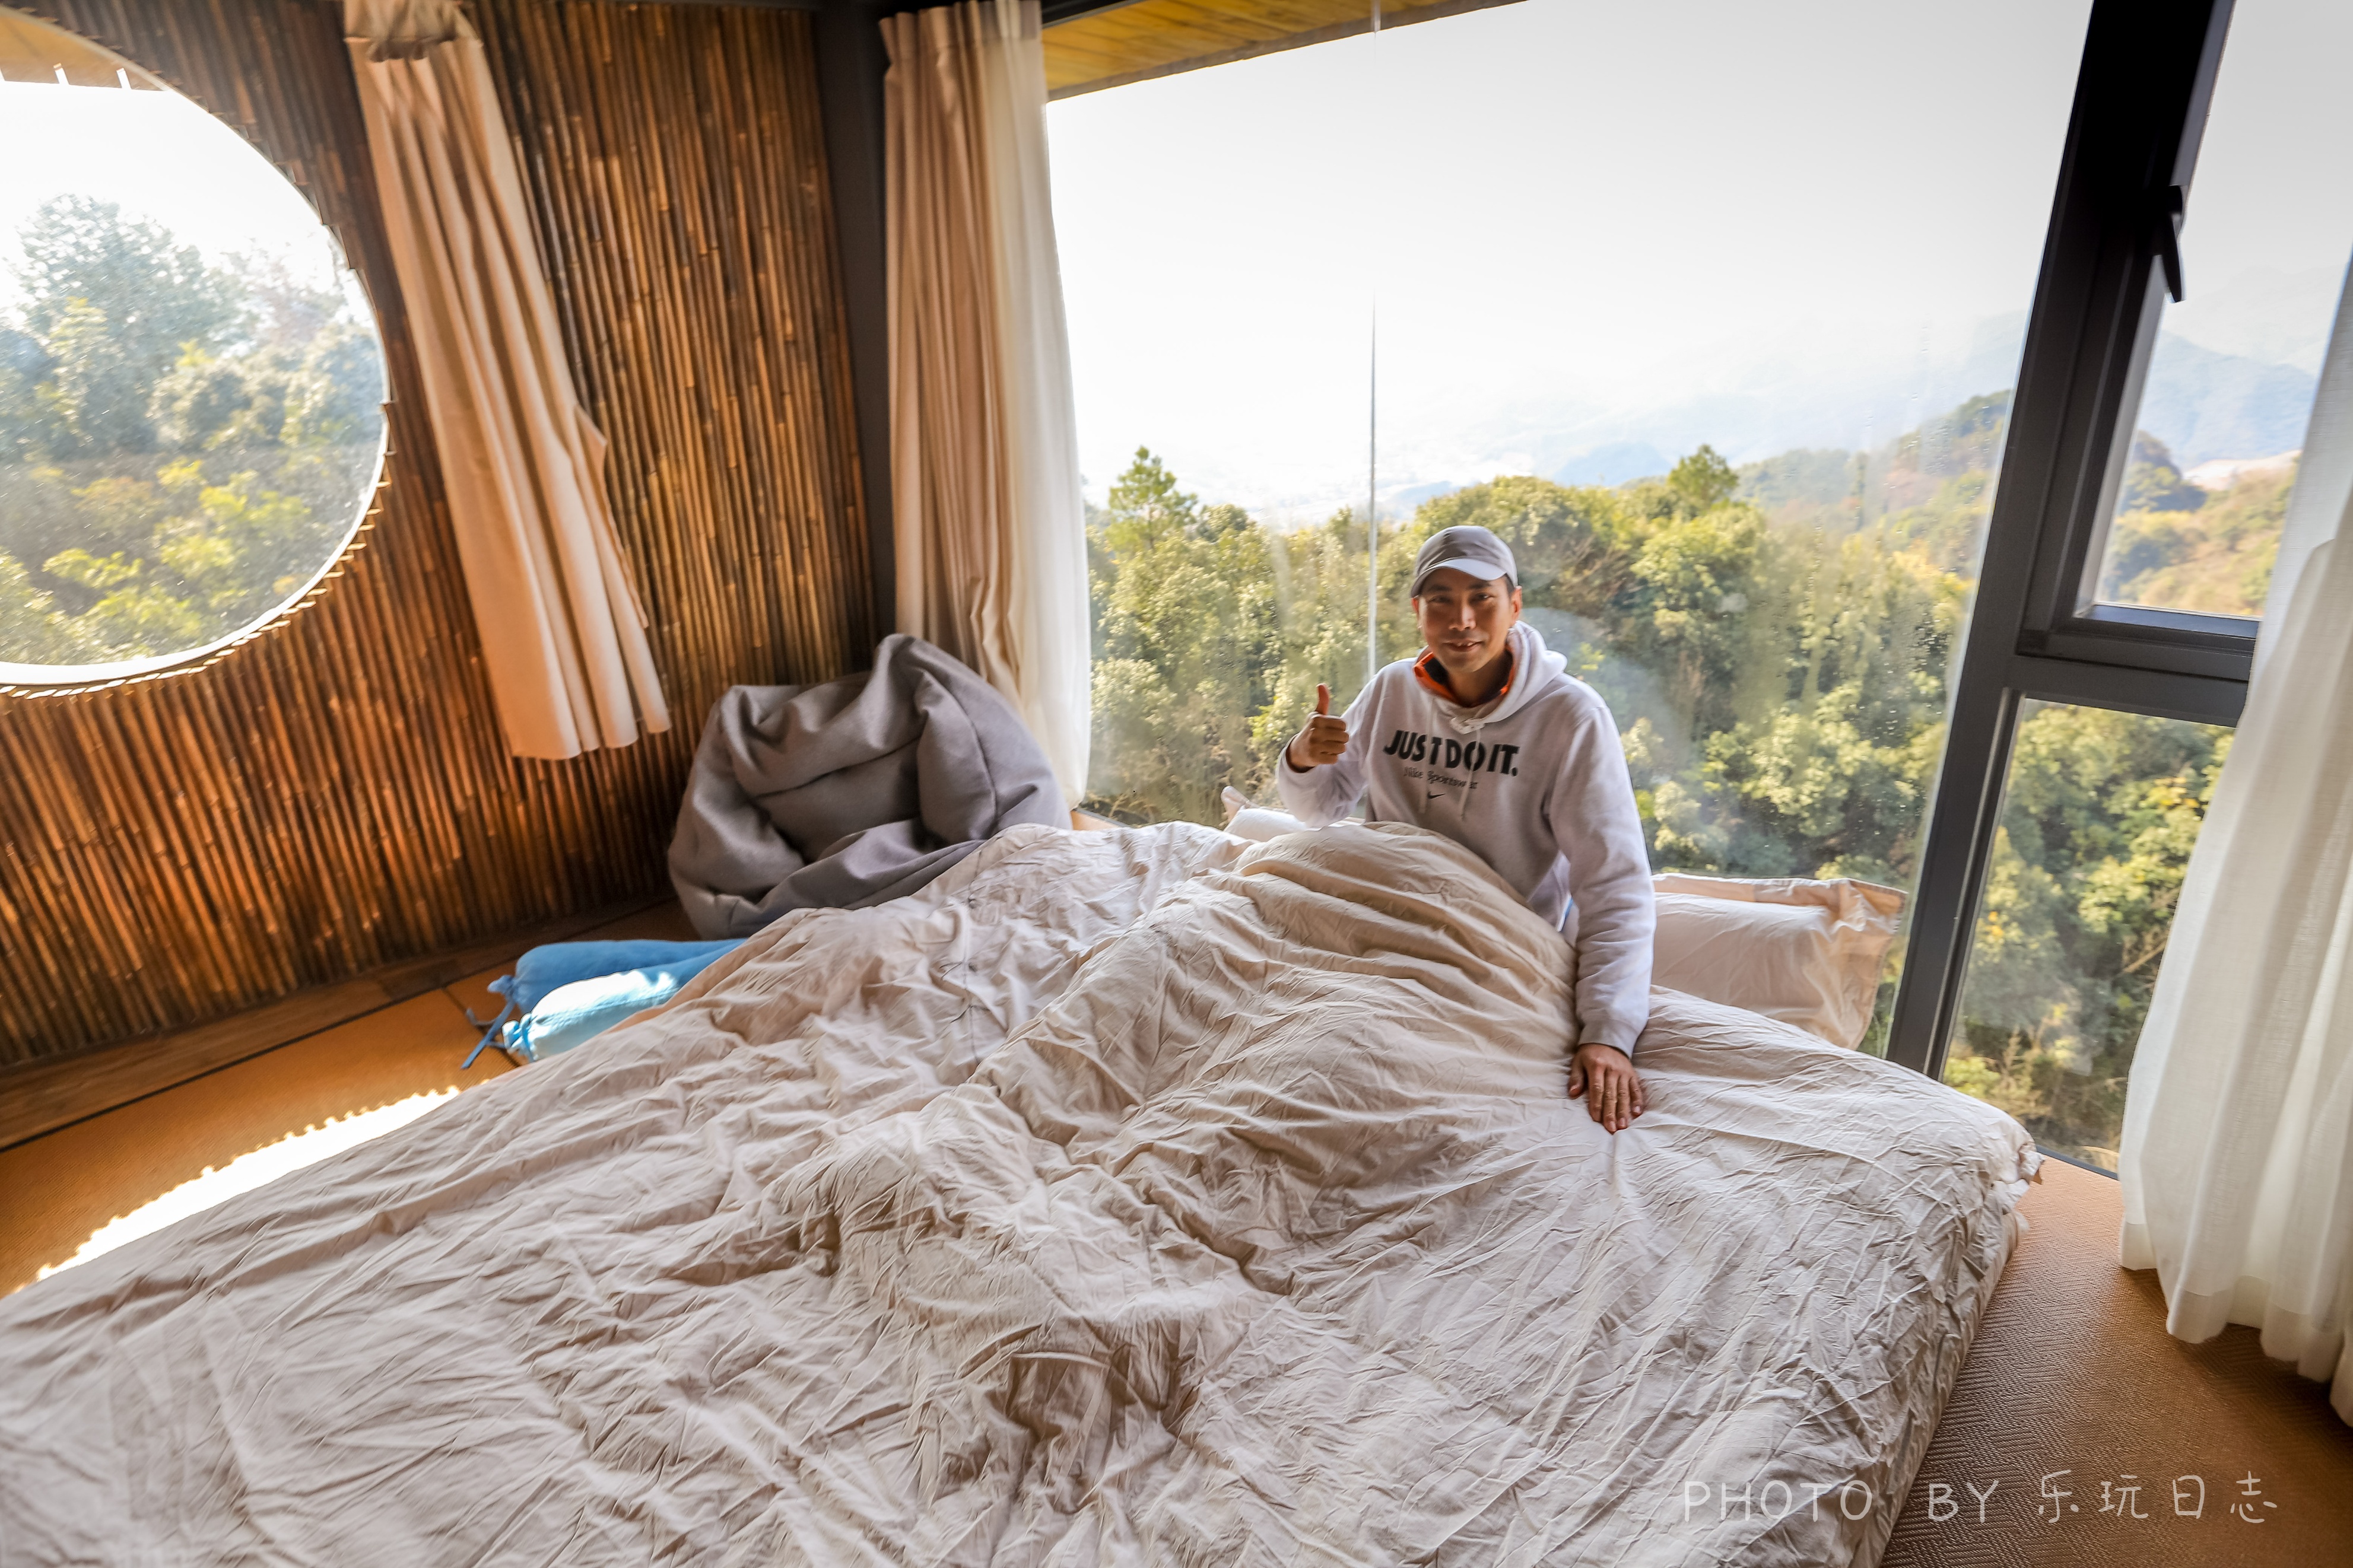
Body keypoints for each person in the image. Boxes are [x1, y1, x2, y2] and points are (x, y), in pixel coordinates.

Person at [1277, 524, 1655, 1133]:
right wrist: (1300, 756)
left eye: (1481, 597)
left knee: (1356, 1067)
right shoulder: (1392, 689)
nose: (1462, 620)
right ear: (1416, 612)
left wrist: (1608, 1033)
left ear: (1514, 604)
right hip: (1380, 918)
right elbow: (1319, 810)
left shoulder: (1570, 717)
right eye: (1440, 601)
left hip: (1490, 948)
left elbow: (1613, 886)